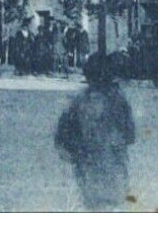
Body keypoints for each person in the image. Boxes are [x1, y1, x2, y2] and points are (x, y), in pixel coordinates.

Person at [55, 53, 136, 212]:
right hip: (114, 167)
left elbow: (62, 135)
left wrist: (74, 152)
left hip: (87, 167)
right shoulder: (118, 100)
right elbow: (130, 135)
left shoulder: (77, 101)